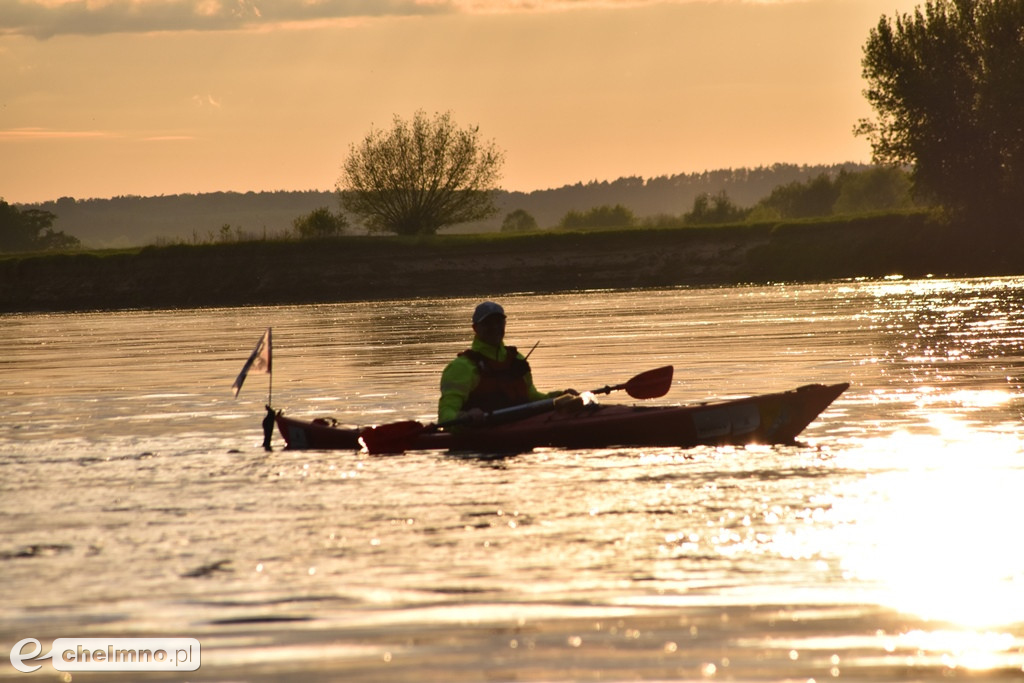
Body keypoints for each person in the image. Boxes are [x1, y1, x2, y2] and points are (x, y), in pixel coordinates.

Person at [438, 301, 575, 424]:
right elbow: (446, 415)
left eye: (499, 322)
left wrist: (559, 397)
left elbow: (532, 398)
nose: (495, 327)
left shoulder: (517, 360)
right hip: (481, 441)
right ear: (475, 328)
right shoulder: (461, 367)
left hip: (521, 433)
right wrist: (464, 416)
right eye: (488, 323)